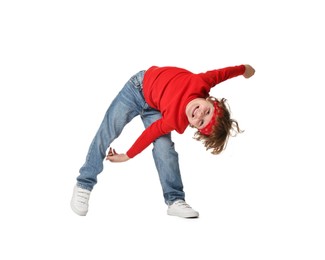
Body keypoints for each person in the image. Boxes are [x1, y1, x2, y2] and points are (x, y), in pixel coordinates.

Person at [70, 64, 255, 218]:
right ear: (210, 101)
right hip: (137, 88)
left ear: (194, 126)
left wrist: (127, 155)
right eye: (206, 111)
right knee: (107, 130)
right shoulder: (201, 82)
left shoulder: (174, 120)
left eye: (201, 121)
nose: (199, 114)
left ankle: (174, 199)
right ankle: (84, 183)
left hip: (156, 109)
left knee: (164, 147)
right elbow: (224, 73)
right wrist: (245, 69)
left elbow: (151, 132)